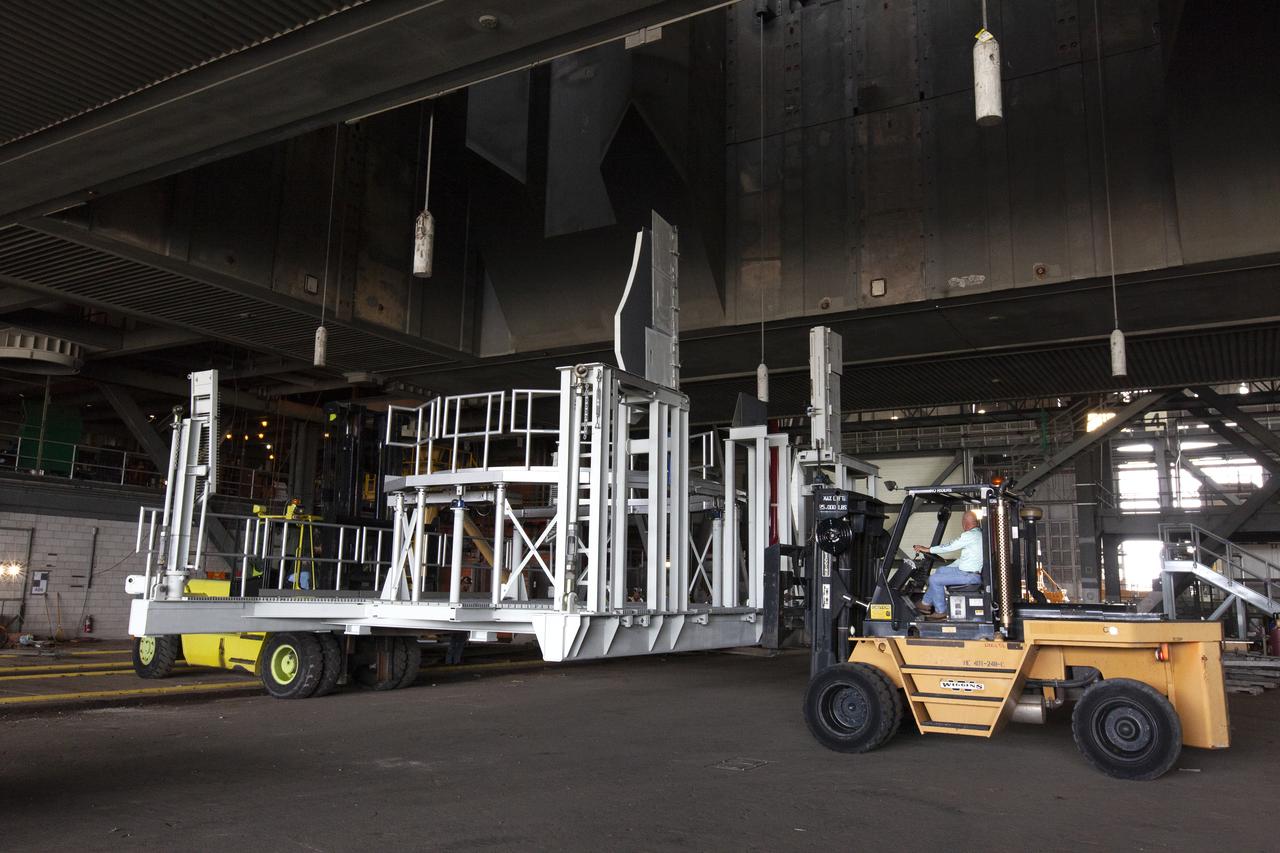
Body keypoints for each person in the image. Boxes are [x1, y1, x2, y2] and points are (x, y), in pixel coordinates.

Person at [912, 511, 984, 620]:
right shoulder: (979, 534)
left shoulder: (970, 535)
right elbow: (964, 560)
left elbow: (950, 546)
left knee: (934, 579)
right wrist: (947, 568)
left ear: (964, 523)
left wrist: (928, 549)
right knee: (941, 570)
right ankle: (925, 603)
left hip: (969, 576)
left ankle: (941, 611)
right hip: (968, 572)